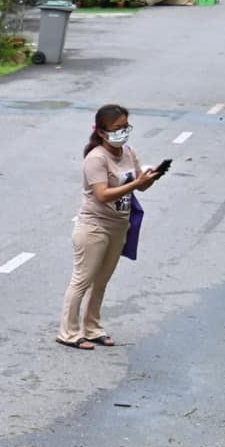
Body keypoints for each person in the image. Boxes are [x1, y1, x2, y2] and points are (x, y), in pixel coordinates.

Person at [59, 103, 164, 350]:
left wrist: (151, 178)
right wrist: (136, 184)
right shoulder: (96, 158)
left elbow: (140, 185)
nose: (123, 132)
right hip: (94, 227)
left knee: (102, 280)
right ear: (102, 132)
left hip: (119, 225)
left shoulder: (128, 152)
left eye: (126, 127)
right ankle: (69, 333)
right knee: (82, 280)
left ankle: (93, 328)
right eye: (117, 128)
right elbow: (103, 194)